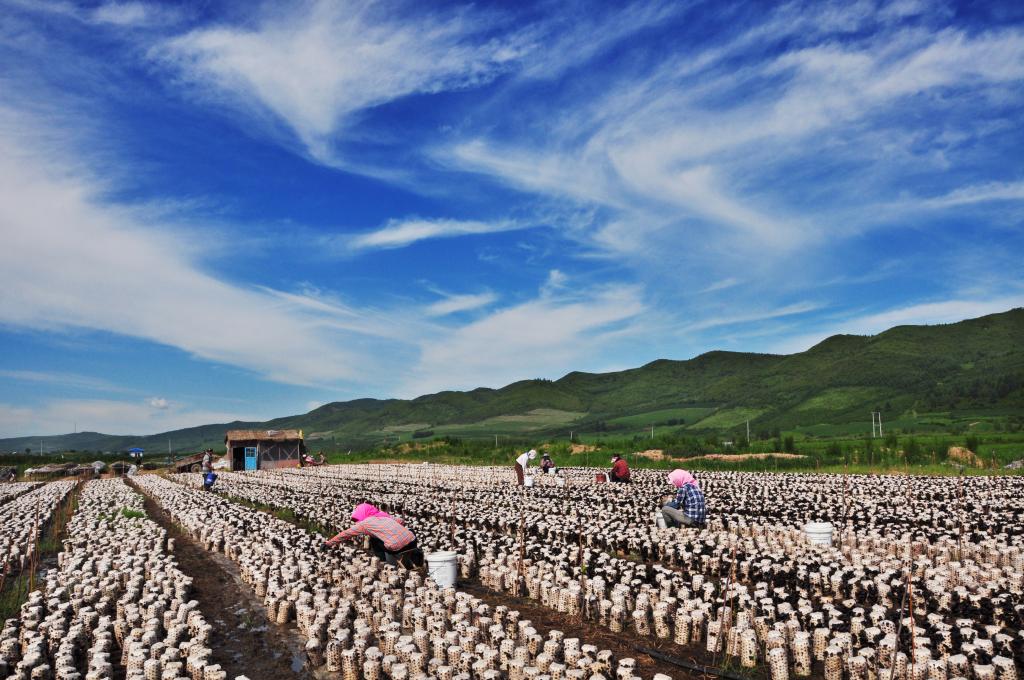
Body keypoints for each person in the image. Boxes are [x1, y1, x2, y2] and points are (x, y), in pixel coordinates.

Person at [325, 503, 420, 566]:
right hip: (412, 541)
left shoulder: (365, 523)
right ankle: (414, 554)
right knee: (409, 531)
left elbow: (346, 534)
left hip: (397, 548)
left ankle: (382, 562)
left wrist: (329, 543)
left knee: (374, 540)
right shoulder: (384, 516)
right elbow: (401, 521)